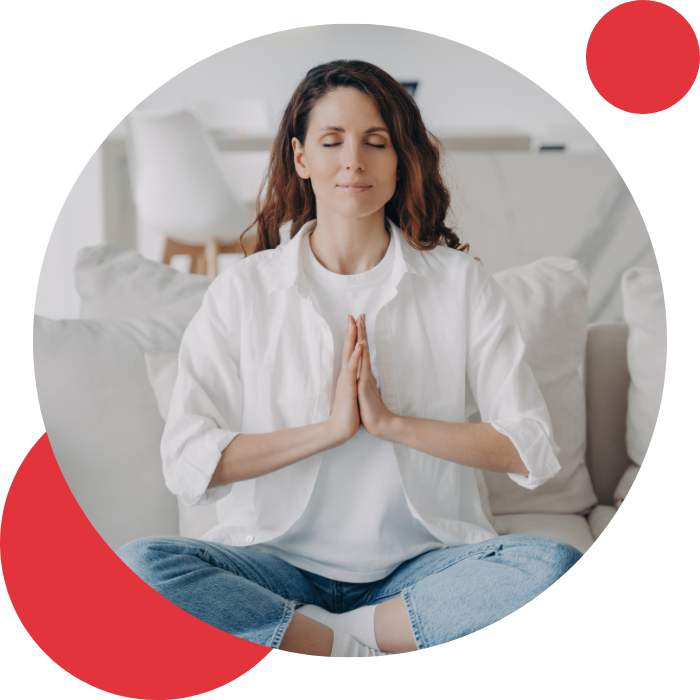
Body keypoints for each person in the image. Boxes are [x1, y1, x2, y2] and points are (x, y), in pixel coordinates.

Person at [118, 59, 583, 657]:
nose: (354, 161)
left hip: (422, 570)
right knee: (142, 566)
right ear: (301, 158)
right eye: (331, 141)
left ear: (401, 158)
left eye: (376, 141)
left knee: (550, 564)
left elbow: (531, 447)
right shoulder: (243, 290)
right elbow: (185, 461)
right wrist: (330, 430)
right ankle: (359, 642)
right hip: (276, 567)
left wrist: (391, 425)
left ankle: (333, 641)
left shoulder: (459, 283)